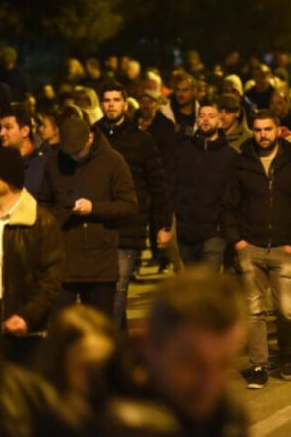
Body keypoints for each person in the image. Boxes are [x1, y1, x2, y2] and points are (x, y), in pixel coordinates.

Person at [97, 270, 249, 437]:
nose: (209, 384)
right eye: (193, 363)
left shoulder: (228, 419)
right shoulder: (92, 419)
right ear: (146, 342)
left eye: (223, 364)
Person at [228, 111, 291, 389]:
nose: (263, 135)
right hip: (250, 246)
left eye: (268, 129)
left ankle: (288, 354)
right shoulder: (241, 163)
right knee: (254, 311)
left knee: (287, 309)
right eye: (257, 130)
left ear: (278, 130)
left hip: (285, 248)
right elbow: (228, 205)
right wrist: (237, 241)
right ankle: (258, 364)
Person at [37, 117, 137, 316]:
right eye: (70, 152)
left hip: (100, 263)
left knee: (100, 327)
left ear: (90, 138)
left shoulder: (112, 161)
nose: (74, 156)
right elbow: (44, 203)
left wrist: (94, 208)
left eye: (78, 151)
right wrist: (59, 215)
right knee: (61, 326)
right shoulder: (54, 162)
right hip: (65, 260)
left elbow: (129, 205)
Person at [0, 148, 63, 361]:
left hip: (22, 337)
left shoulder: (39, 222)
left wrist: (27, 316)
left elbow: (51, 279)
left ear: (9, 179)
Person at [94, 83, 172, 327]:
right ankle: (120, 346)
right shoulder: (93, 136)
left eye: (116, 100)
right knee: (102, 294)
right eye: (107, 100)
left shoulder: (141, 140)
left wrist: (163, 224)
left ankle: (110, 348)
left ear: (125, 105)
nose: (111, 105)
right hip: (97, 224)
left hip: (130, 225)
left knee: (118, 290)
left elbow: (157, 183)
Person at [172, 102, 237, 271]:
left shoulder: (230, 156)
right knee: (192, 288)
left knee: (208, 285)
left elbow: (234, 194)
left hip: (215, 232)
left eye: (211, 116)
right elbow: (172, 186)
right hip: (186, 231)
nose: (206, 120)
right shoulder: (183, 151)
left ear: (220, 122)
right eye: (202, 116)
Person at [0, 103, 51, 196]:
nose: (1, 133)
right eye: (0, 128)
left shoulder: (48, 160)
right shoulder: (1, 162)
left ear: (25, 131)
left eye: (8, 127)